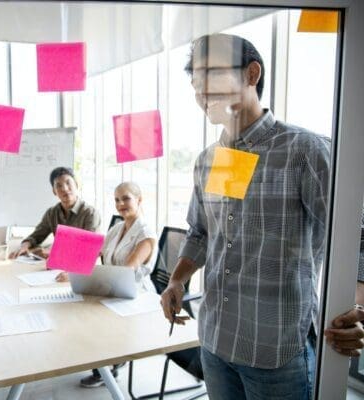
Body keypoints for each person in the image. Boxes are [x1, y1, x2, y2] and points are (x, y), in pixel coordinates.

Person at [159, 33, 364, 400]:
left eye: (212, 79)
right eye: (196, 86)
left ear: (252, 74)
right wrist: (176, 281)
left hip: (276, 353)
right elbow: (203, 232)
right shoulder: (214, 158)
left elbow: (355, 238)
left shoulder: (305, 151)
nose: (203, 94)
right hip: (217, 341)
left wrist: (359, 309)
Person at [77, 181, 157, 388]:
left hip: (135, 294)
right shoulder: (117, 227)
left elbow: (126, 272)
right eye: (116, 200)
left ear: (139, 200)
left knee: (91, 315)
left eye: (126, 198)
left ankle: (106, 368)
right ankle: (100, 363)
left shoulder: (145, 233)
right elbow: (96, 252)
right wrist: (73, 268)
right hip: (114, 288)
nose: (121, 204)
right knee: (77, 306)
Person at [11, 166, 100, 259]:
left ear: (76, 185)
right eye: (59, 185)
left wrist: (53, 252)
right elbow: (36, 236)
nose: (65, 189)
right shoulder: (52, 213)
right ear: (54, 191)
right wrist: (24, 246)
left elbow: (89, 249)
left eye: (68, 183)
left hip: (81, 267)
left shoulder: (90, 213)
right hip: (56, 266)